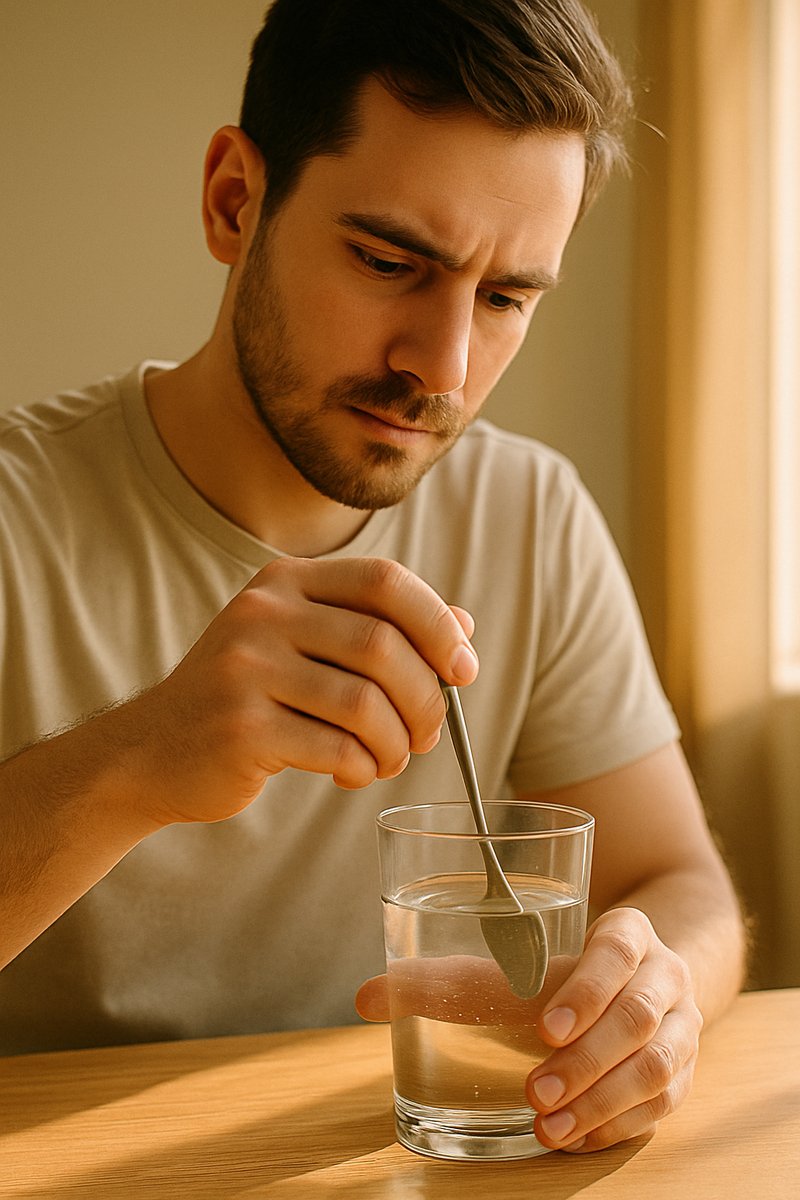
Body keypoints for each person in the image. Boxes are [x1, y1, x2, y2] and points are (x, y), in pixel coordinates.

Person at [0, 0, 744, 1155]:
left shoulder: (530, 512)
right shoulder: (16, 517)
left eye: (505, 300)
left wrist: (653, 1003)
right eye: (390, 261)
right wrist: (135, 763)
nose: (440, 368)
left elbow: (675, 880)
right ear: (233, 201)